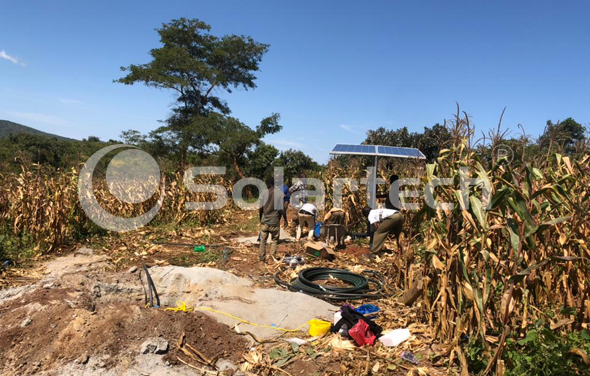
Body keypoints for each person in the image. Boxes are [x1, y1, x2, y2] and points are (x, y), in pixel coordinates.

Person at [259, 177, 282, 262]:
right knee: (274, 240)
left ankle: (262, 259)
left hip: (265, 221)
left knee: (263, 240)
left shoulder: (263, 193)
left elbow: (260, 208)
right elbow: (281, 210)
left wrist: (260, 218)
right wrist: (282, 219)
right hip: (274, 221)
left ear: (268, 184)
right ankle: (272, 258)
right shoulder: (279, 194)